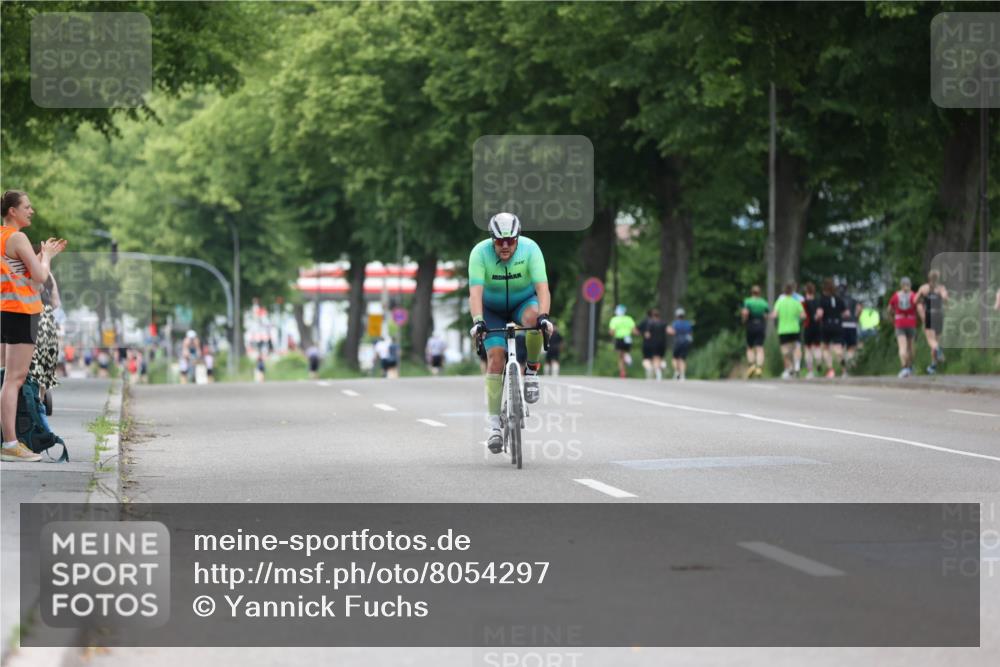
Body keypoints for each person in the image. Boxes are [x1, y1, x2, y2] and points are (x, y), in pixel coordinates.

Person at [468, 212, 554, 454]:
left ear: (518, 237)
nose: (505, 246)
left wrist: (544, 317)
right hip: (491, 308)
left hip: (522, 302)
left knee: (534, 320)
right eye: (499, 241)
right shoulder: (479, 253)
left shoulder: (531, 249)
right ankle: (494, 424)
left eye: (510, 240)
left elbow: (542, 288)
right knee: (496, 358)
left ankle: (532, 371)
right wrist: (478, 321)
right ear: (492, 239)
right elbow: (475, 293)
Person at [1, 190, 67, 462]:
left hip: (7, 310)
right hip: (21, 312)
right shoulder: (17, 237)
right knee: (14, 379)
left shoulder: (4, 237)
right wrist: (47, 256)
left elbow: (20, 271)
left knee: (7, 376)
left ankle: (9, 440)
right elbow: (39, 278)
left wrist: (39, 253)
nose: (32, 211)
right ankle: (11, 444)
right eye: (27, 207)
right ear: (12, 211)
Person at [29, 275, 61, 411]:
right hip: (47, 325)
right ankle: (40, 399)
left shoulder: (22, 270)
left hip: (30, 321)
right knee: (44, 363)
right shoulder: (46, 276)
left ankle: (31, 398)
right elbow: (56, 303)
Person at [916, 269, 948, 375]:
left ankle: (938, 351)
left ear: (929, 278)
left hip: (929, 314)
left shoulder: (924, 288)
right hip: (939, 315)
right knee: (936, 341)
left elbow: (915, 300)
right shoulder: (941, 288)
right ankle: (933, 366)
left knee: (931, 341)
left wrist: (921, 300)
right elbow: (945, 298)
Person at [772, 282, 806, 379]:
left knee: (785, 351)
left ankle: (789, 368)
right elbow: (803, 315)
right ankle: (797, 365)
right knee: (797, 347)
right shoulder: (796, 302)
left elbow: (775, 315)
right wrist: (797, 319)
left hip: (783, 329)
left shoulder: (780, 301)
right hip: (795, 328)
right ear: (792, 291)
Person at [888, 277, 918, 377]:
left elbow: (890, 309)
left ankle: (904, 367)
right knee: (910, 346)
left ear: (901, 285)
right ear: (910, 285)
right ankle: (910, 366)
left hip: (899, 322)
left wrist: (892, 318)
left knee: (902, 347)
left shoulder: (896, 296)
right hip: (911, 321)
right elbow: (918, 307)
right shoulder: (913, 295)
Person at [817, 277, 846, 379]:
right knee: (838, 347)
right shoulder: (838, 299)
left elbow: (820, 314)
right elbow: (846, 313)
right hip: (837, 325)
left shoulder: (822, 299)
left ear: (824, 288)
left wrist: (816, 317)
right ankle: (843, 367)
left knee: (825, 348)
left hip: (826, 325)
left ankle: (831, 370)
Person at [741, 285, 769, 378]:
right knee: (760, 348)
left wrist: (744, 320)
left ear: (751, 292)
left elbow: (745, 313)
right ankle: (759, 368)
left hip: (751, 325)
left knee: (750, 347)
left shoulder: (748, 301)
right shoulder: (764, 303)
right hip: (761, 325)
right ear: (759, 293)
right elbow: (766, 315)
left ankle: (752, 365)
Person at [637, 308, 668, 380]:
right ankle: (659, 370)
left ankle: (650, 368)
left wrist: (642, 334)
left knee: (647, 359)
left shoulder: (647, 323)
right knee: (657, 358)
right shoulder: (663, 323)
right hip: (661, 343)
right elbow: (670, 331)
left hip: (649, 344)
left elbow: (645, 334)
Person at [608, 304, 637, 379]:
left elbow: (612, 331)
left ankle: (622, 372)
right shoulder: (629, 319)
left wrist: (611, 334)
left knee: (620, 356)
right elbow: (634, 331)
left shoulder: (614, 319)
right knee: (626, 352)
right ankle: (627, 358)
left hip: (619, 338)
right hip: (628, 338)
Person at [838, 284, 862, 374]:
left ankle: (844, 370)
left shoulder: (837, 300)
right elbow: (859, 308)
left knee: (840, 347)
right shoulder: (852, 300)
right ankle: (849, 361)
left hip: (840, 325)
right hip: (852, 324)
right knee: (851, 347)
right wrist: (856, 317)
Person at [801, 282, 823, 378]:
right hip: (817, 327)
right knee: (817, 347)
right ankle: (818, 363)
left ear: (806, 291)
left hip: (807, 326)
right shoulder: (818, 301)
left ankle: (810, 371)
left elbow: (802, 315)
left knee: (808, 349)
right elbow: (820, 314)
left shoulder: (803, 302)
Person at [667, 308, 693, 381]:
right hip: (686, 342)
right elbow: (690, 333)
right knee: (683, 359)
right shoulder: (688, 323)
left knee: (675, 358)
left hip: (678, 342)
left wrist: (668, 330)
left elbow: (673, 332)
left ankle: (677, 371)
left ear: (677, 315)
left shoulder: (675, 323)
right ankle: (683, 375)